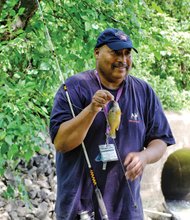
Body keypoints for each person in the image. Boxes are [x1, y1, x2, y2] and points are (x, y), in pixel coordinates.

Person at [50, 28, 175, 220]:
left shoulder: (143, 91)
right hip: (79, 209)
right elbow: (61, 143)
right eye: (116, 52)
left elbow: (160, 140)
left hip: (126, 209)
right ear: (97, 52)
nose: (123, 60)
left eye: (127, 53)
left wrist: (144, 156)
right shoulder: (75, 87)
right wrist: (91, 110)